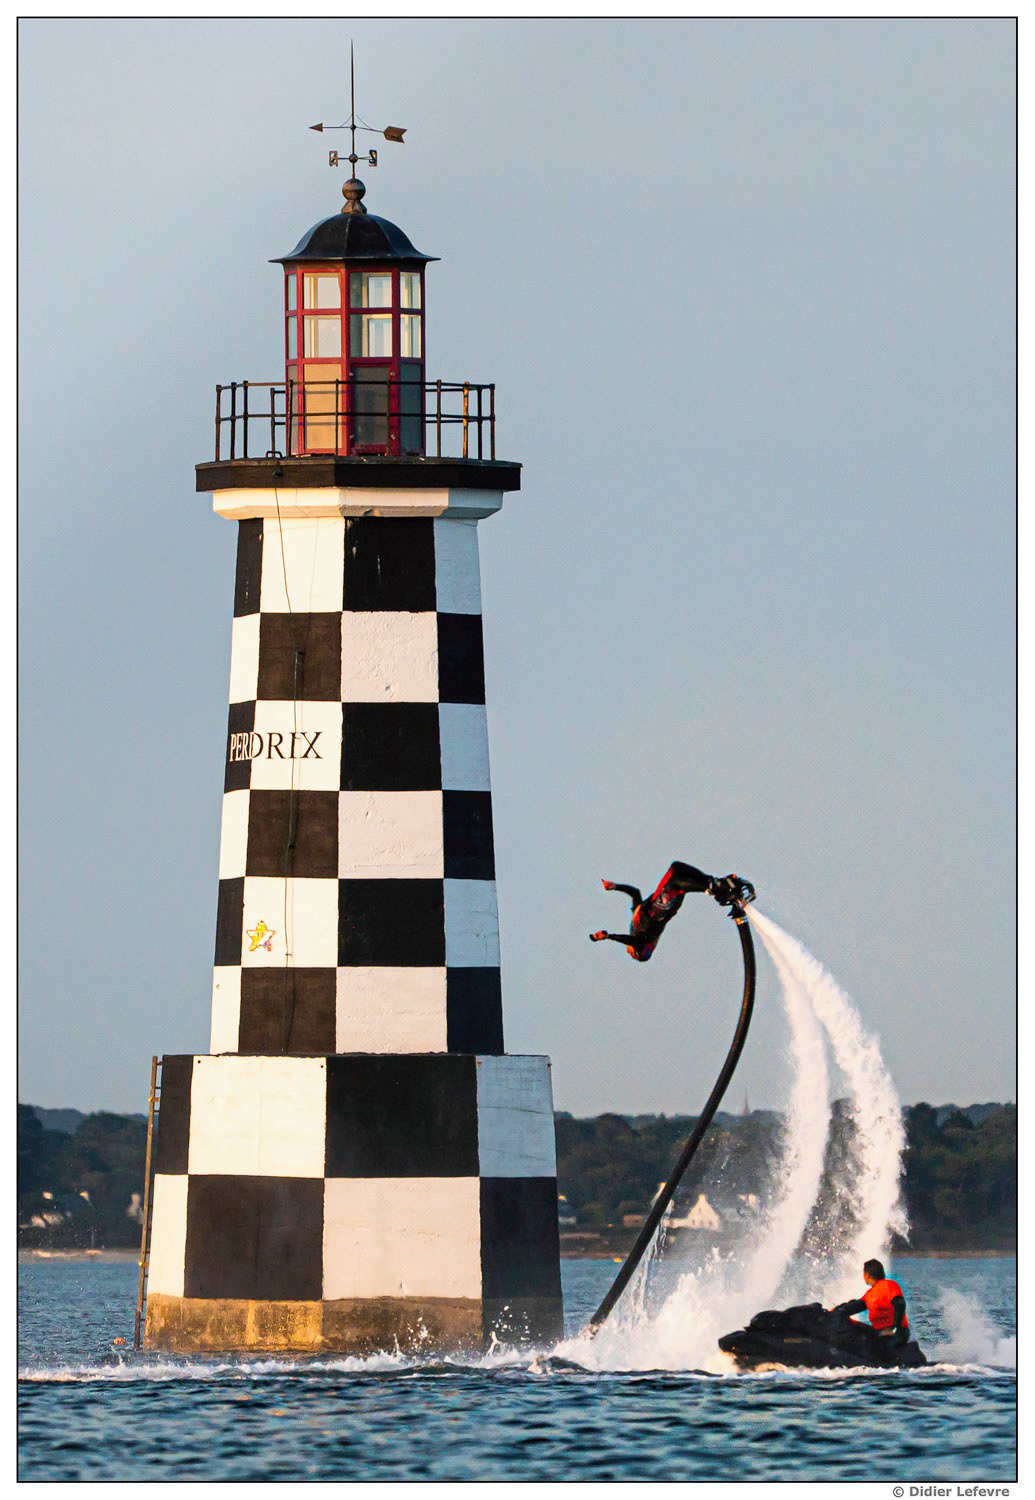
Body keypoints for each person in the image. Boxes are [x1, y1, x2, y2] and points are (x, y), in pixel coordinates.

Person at [589, 861, 755, 962]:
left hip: (658, 902)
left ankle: (716, 884)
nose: (628, 951)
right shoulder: (642, 941)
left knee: (676, 868)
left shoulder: (636, 921)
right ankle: (714, 887)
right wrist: (609, 936)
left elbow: (635, 893)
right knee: (675, 881)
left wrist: (615, 886)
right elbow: (633, 942)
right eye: (631, 953)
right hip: (658, 911)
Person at [834, 1259, 911, 1349]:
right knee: (852, 1330)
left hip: (897, 1333)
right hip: (880, 1333)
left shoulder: (889, 1285)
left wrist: (894, 1329)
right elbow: (853, 1307)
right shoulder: (870, 1294)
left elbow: (899, 1304)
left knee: (876, 1344)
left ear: (867, 1275)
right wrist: (834, 1311)